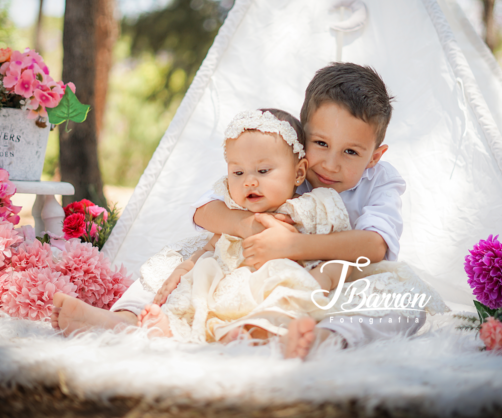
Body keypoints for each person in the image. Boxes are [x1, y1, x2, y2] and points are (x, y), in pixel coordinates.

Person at [190, 63, 449, 358]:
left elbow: (376, 245)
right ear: (301, 137)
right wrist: (249, 226)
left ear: (375, 156)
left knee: (408, 303)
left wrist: (292, 245)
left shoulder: (381, 180)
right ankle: (257, 329)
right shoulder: (284, 164)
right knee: (202, 263)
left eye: (350, 152)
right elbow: (204, 209)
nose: (330, 164)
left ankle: (324, 337)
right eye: (321, 143)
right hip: (279, 278)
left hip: (345, 282)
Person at [134, 108, 363, 343]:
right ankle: (172, 327)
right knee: (198, 292)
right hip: (231, 289)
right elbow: (208, 248)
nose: (249, 181)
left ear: (299, 172)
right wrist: (181, 271)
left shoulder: (311, 209)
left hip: (278, 285)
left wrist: (318, 278)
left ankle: (255, 332)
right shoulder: (235, 214)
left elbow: (335, 252)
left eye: (263, 171)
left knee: (285, 301)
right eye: (238, 172)